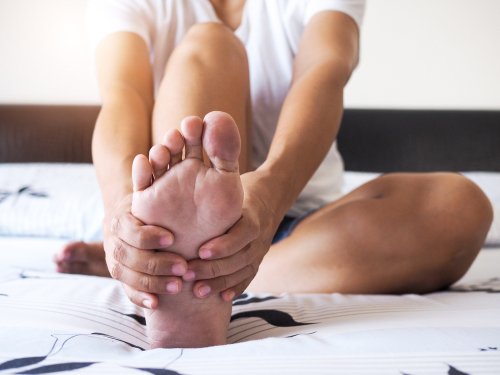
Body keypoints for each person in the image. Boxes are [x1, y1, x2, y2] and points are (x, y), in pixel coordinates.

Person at [54, 0, 493, 349]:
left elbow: (324, 72)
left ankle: (185, 275)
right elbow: (123, 96)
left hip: (303, 222)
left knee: (461, 205)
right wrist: (119, 213)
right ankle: (188, 255)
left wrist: (264, 201)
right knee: (211, 43)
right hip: (191, 217)